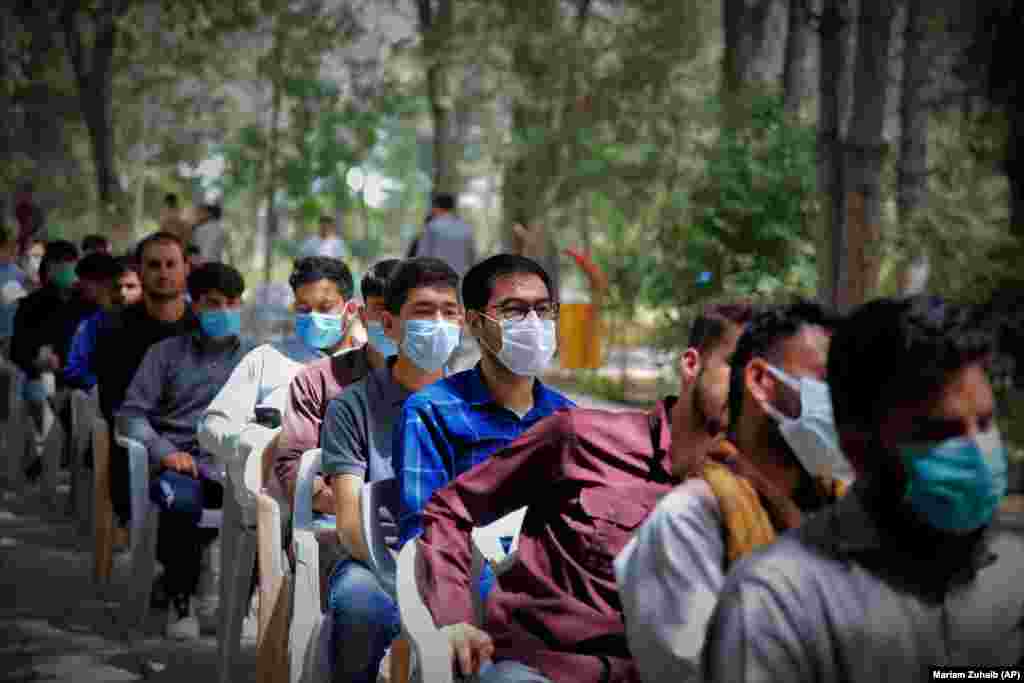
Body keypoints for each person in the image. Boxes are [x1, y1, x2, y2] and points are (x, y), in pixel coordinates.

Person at [415, 303, 756, 683]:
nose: (747, 387)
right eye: (736, 365)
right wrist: (455, 619)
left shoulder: (755, 491)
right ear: (692, 365)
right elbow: (453, 508)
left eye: (761, 376)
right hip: (543, 669)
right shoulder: (580, 438)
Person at [703, 296, 1024, 682]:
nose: (977, 451)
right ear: (858, 448)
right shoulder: (775, 604)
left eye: (986, 424)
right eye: (940, 433)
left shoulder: (1014, 574)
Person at [614, 301, 848, 683]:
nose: (848, 403)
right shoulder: (688, 521)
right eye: (829, 381)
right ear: (761, 381)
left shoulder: (845, 509)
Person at [321, 257, 464, 682]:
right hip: (375, 560)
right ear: (389, 323)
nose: (438, 323)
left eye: (449, 311)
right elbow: (349, 524)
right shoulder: (353, 407)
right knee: (359, 604)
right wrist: (407, 578)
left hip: (460, 563)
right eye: (423, 311)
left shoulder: (476, 404)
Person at [395, 254, 574, 548]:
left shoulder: (567, 417)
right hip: (470, 577)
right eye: (514, 311)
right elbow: (423, 533)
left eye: (542, 310)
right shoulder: (430, 413)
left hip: (557, 577)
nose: (532, 323)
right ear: (475, 323)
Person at [117, 262, 256, 640]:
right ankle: (181, 601)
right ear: (194, 304)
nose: (224, 311)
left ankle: (238, 607)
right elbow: (130, 415)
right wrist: (164, 451)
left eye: (232, 303)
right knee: (179, 501)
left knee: (272, 505)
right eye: (214, 303)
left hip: (233, 466)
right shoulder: (164, 354)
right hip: (179, 466)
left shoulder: (256, 358)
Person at [199, 256, 358, 480]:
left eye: (325, 308)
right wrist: (254, 442)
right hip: (275, 496)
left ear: (350, 309)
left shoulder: (367, 364)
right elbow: (212, 425)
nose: (313, 317)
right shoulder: (267, 359)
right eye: (304, 309)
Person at [271, 258, 400, 509]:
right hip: (336, 524)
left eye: (399, 309)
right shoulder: (316, 380)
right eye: (380, 309)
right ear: (362, 315)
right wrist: (353, 507)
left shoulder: (439, 385)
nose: (388, 320)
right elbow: (293, 464)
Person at [94, 232, 197, 526]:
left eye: (170, 264)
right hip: (140, 457)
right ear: (140, 271)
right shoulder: (116, 331)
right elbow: (115, 406)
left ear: (185, 268)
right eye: (154, 265)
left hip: (202, 453)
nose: (163, 273)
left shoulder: (203, 328)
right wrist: (165, 450)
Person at [10, 241, 96, 429]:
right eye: (58, 264)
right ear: (48, 269)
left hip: (80, 379)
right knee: (39, 398)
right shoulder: (30, 305)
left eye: (69, 263)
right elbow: (17, 351)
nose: (65, 269)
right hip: (43, 377)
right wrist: (37, 361)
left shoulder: (89, 305)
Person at [62, 254, 129, 390]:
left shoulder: (96, 323)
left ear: (104, 282)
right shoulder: (86, 320)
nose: (80, 285)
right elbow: (74, 369)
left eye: (85, 280)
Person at [417, 193, 476, 277]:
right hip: (459, 276)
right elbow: (472, 257)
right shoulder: (466, 228)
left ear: (436, 207)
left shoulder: (432, 227)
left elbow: (422, 256)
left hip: (436, 277)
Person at [0, 225, 30, 357]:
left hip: (10, 329)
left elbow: (24, 295)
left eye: (13, 250)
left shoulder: (18, 272)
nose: (10, 253)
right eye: (5, 249)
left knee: (7, 359)